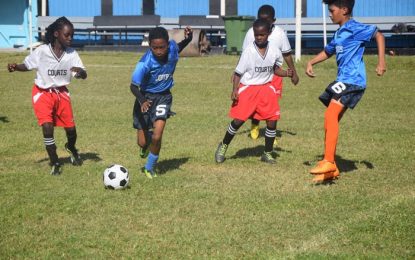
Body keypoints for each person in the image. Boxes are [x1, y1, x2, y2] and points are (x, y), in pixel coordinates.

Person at [306, 0, 386, 183]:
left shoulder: (355, 27)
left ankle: (328, 161)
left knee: (330, 115)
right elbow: (328, 51)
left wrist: (382, 62)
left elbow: (379, 36)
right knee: (330, 120)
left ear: (344, 10)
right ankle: (331, 167)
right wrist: (311, 62)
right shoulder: (340, 32)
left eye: (332, 11)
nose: (330, 14)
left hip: (353, 81)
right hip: (343, 80)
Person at [7, 16, 87, 175]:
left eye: (72, 35)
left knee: (71, 130)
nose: (70, 38)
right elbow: (27, 65)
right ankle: (55, 161)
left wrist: (80, 72)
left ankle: (71, 147)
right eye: (67, 35)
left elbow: (83, 74)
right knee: (47, 127)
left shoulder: (72, 54)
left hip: (62, 93)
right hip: (42, 93)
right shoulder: (42, 51)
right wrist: (16, 67)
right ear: (57, 34)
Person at [215, 19, 293, 164]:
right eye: (256, 35)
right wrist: (235, 90)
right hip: (249, 88)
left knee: (272, 121)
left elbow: (275, 70)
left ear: (268, 34)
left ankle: (267, 153)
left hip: (266, 88)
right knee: (238, 121)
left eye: (262, 35)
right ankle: (223, 146)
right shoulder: (249, 52)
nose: (259, 37)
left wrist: (286, 73)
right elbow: (238, 73)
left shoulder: (275, 50)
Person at [130, 26, 193, 179]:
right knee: (142, 142)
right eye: (155, 48)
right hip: (145, 99)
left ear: (167, 44)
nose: (159, 51)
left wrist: (189, 39)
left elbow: (178, 47)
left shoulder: (172, 48)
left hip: (164, 97)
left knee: (157, 136)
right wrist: (142, 100)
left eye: (162, 47)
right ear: (150, 46)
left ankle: (150, 168)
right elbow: (133, 86)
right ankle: (146, 145)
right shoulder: (144, 63)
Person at [241, 4, 299, 141]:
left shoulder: (279, 34)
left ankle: (270, 136)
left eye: (267, 20)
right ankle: (255, 123)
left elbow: (287, 54)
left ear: (274, 20)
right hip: (256, 75)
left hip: (274, 74)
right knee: (255, 103)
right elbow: (244, 54)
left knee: (271, 106)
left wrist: (294, 73)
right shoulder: (251, 33)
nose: (264, 23)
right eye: (261, 19)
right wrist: (238, 72)